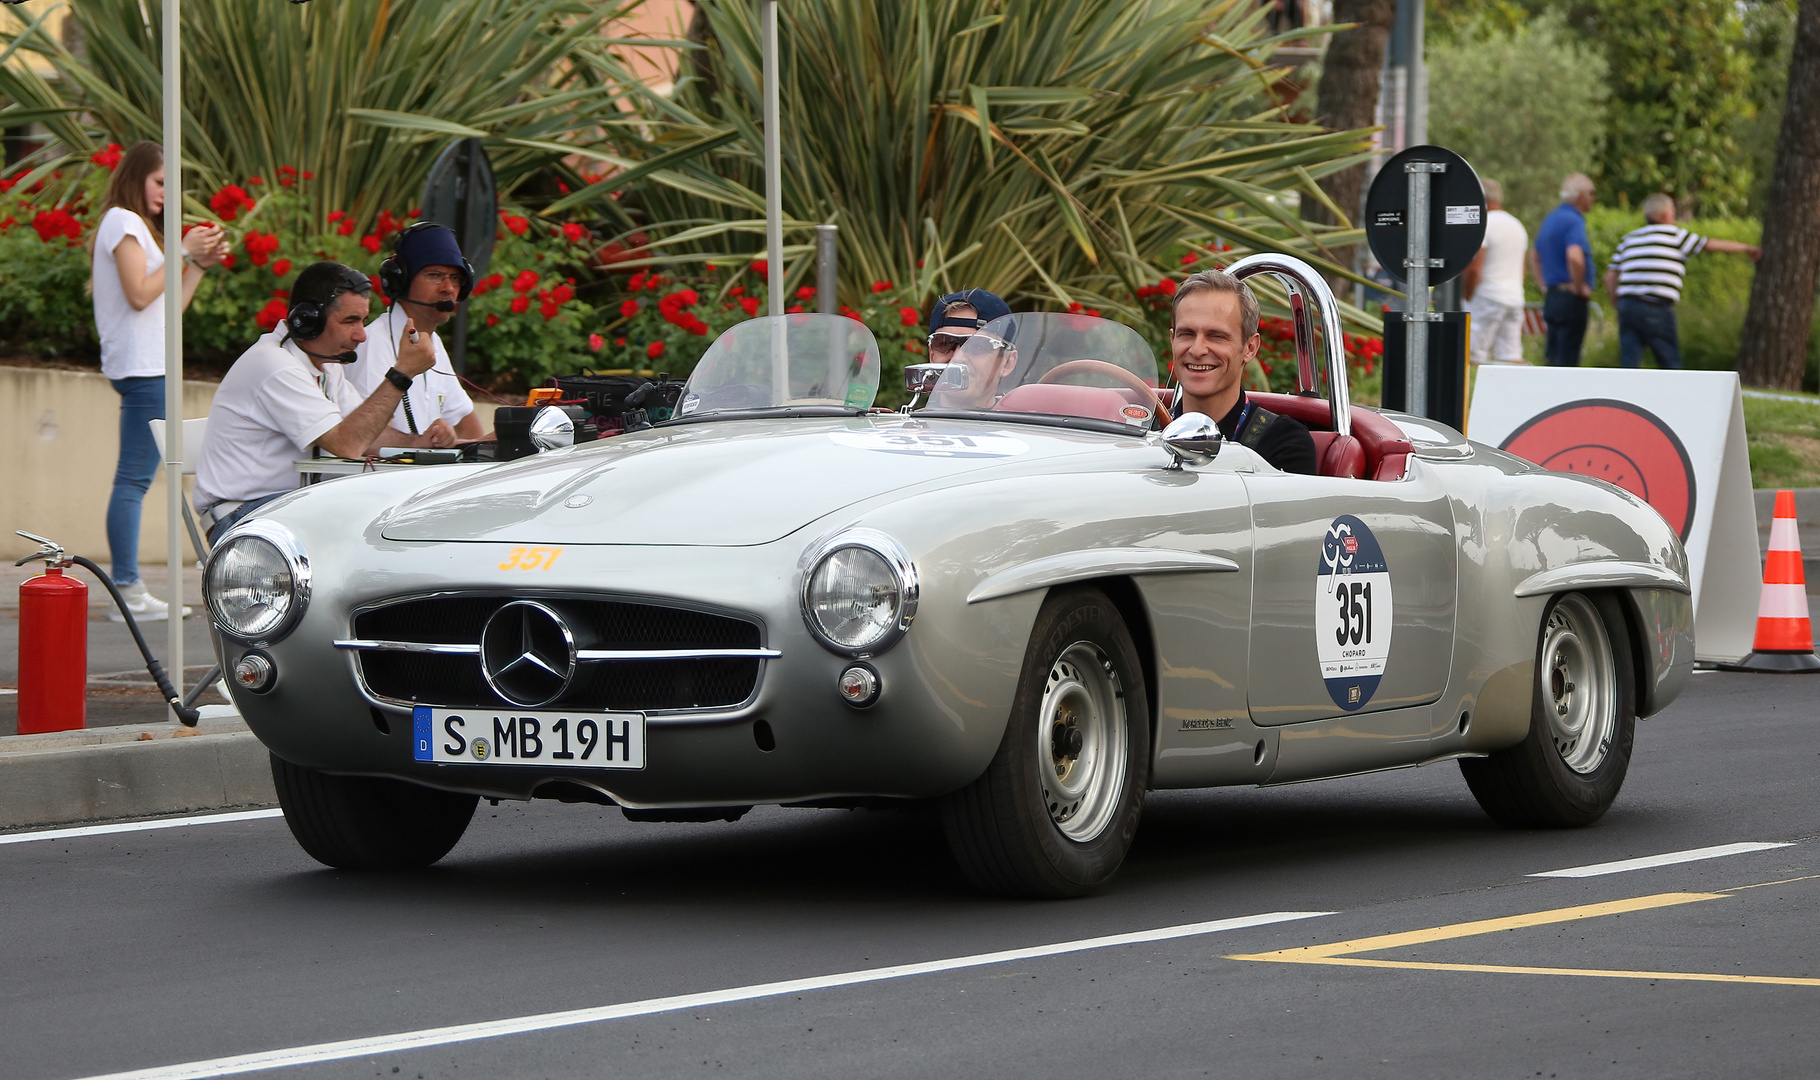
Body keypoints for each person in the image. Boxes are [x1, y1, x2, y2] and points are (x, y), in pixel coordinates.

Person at [193, 262, 440, 545]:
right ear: (307, 320)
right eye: (350, 321)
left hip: (280, 508)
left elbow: (368, 436)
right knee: (368, 530)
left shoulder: (325, 364)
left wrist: (425, 443)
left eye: (363, 320)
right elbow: (347, 445)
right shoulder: (275, 366)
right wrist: (401, 374)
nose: (362, 335)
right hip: (241, 519)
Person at [91, 140, 227, 621]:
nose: (167, 194)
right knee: (133, 479)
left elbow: (171, 306)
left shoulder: (138, 230)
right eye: (160, 182)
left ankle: (128, 587)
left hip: (150, 366)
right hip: (144, 369)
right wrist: (183, 250)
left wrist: (197, 264)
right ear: (136, 178)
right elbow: (140, 294)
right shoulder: (122, 222)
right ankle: (127, 589)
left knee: (137, 477)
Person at [1169, 269, 1317, 474]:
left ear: (1250, 348)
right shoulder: (1145, 431)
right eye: (1186, 334)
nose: (1197, 350)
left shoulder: (1284, 443)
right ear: (1172, 340)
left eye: (1216, 336)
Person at [347, 223, 481, 443]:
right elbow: (369, 439)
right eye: (435, 275)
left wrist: (497, 441)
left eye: (456, 278)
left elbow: (469, 428)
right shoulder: (372, 344)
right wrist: (426, 444)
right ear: (400, 280)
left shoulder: (432, 341)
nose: (448, 287)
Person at [1603, 193, 1762, 370]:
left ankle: (1624, 394)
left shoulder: (1629, 239)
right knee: (1669, 359)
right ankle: (1674, 394)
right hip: (1656, 307)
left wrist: (1618, 305)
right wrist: (1746, 248)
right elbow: (1709, 245)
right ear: (1666, 215)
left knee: (1629, 362)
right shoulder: (1675, 236)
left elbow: (1609, 277)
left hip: (1628, 306)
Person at [1531, 174, 1598, 366]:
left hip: (1553, 297)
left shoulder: (1551, 218)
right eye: (1591, 193)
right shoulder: (1573, 220)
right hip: (1570, 299)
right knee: (1568, 361)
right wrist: (1578, 287)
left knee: (1552, 358)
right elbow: (1574, 256)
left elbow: (1534, 255)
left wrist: (1544, 286)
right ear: (1580, 196)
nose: (1594, 197)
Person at [1460, 178, 1528, 366]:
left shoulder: (1484, 225)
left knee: (1474, 355)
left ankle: (1473, 393)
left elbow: (1474, 268)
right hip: (1514, 298)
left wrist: (1467, 297)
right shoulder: (1517, 226)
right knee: (1511, 356)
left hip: (1487, 296)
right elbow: (1523, 269)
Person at [925, 289, 1019, 409]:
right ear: (931, 354)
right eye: (945, 343)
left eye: (977, 346)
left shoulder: (1026, 427)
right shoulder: (904, 426)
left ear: (1007, 363)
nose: (958, 357)